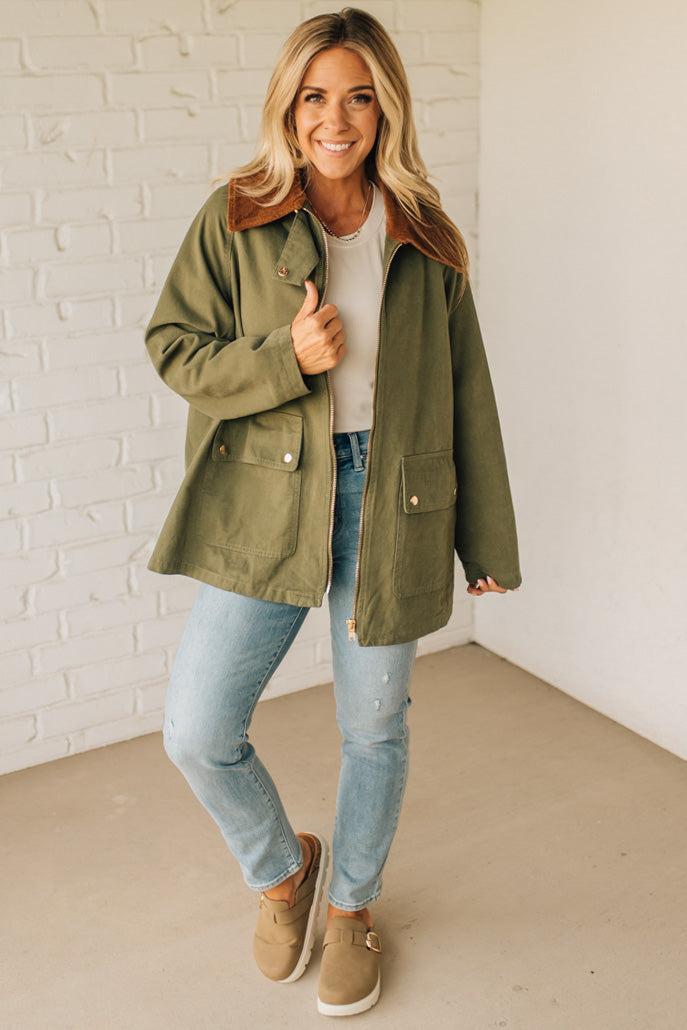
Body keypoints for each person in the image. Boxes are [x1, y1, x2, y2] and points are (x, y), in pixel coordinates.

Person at [144, 6, 521, 1018]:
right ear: (288, 105)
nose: (335, 117)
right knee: (196, 727)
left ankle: (352, 906)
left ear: (385, 106)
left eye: (358, 95)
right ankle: (283, 873)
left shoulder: (426, 234)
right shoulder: (238, 213)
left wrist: (483, 537)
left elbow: (466, 389)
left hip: (392, 498)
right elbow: (173, 344)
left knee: (374, 732)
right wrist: (284, 359)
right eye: (316, 96)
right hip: (266, 496)